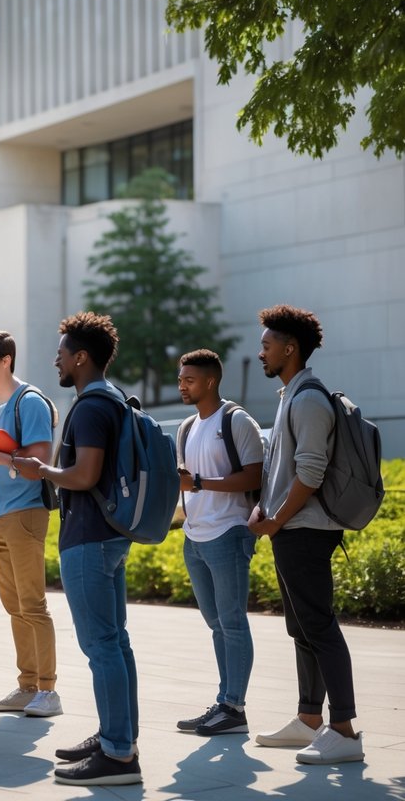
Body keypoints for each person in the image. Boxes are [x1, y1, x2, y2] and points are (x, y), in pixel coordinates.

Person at [13, 312, 141, 786]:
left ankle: (119, 756)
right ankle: (118, 738)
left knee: (102, 645)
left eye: (62, 352)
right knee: (117, 643)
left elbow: (85, 476)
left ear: (81, 357)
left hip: (89, 537)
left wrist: (39, 470)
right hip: (110, 535)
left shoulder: (90, 406)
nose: (56, 359)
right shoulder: (112, 400)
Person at [250, 305, 363, 764]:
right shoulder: (290, 396)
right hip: (289, 529)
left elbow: (311, 473)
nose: (261, 353)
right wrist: (265, 507)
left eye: (266, 344)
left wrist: (275, 520)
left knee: (319, 625)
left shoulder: (309, 399)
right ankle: (309, 718)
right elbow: (284, 469)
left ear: (289, 348)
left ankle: (344, 730)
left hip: (306, 531)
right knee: (301, 627)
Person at [0, 330, 62, 718]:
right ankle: (27, 685)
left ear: (7, 360)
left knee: (33, 604)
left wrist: (2, 459)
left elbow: (39, 462)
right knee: (14, 606)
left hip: (26, 512)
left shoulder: (31, 401)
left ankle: (48, 690)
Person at [174, 349, 263, 736]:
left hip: (228, 532)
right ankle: (224, 701)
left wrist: (198, 482)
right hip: (194, 537)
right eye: (180, 379)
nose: (182, 385)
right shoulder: (187, 427)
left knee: (232, 622)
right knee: (216, 624)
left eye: (189, 379)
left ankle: (234, 708)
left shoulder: (237, 420)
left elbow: (252, 478)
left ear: (211, 381)